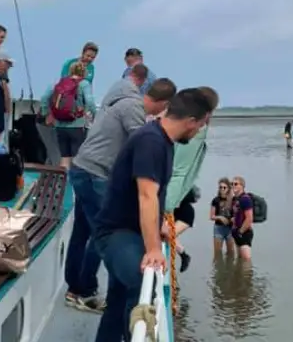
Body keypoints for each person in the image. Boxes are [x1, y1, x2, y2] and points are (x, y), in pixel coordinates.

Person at [92, 89, 212, 342]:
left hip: (129, 229)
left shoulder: (163, 141)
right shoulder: (151, 142)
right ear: (191, 121)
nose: (199, 131)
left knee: (117, 301)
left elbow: (153, 197)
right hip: (116, 232)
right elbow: (147, 196)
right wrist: (154, 249)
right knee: (141, 282)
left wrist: (158, 228)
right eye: (201, 125)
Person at [63, 68, 176, 313]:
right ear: (165, 104)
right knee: (103, 234)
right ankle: (84, 291)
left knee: (81, 232)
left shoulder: (118, 99)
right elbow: (143, 150)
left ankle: (74, 287)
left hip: (82, 167)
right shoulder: (134, 109)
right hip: (96, 173)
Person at [162, 86, 220, 273]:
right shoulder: (193, 135)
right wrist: (167, 208)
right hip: (166, 200)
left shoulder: (182, 130)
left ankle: (176, 251)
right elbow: (178, 171)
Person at [41, 62, 96, 168]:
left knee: (64, 157)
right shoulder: (84, 84)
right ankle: (73, 179)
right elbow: (90, 102)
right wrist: (95, 116)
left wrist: (46, 113)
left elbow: (44, 98)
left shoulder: (60, 83)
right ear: (84, 73)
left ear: (70, 71)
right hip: (77, 125)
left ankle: (64, 178)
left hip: (60, 125)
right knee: (77, 158)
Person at [230, 175, 254, 260]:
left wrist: (240, 232)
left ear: (242, 186)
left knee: (246, 260)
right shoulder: (235, 199)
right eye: (232, 184)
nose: (233, 186)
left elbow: (249, 218)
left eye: (236, 184)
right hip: (236, 232)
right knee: (239, 260)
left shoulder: (245, 199)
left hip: (244, 233)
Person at [211, 177, 235, 255]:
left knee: (231, 253)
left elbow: (237, 214)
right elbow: (212, 216)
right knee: (217, 253)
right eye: (220, 187)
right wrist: (220, 217)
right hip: (219, 228)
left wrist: (233, 219)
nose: (222, 189)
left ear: (228, 188)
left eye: (224, 187)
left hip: (230, 228)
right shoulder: (215, 200)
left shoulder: (233, 200)